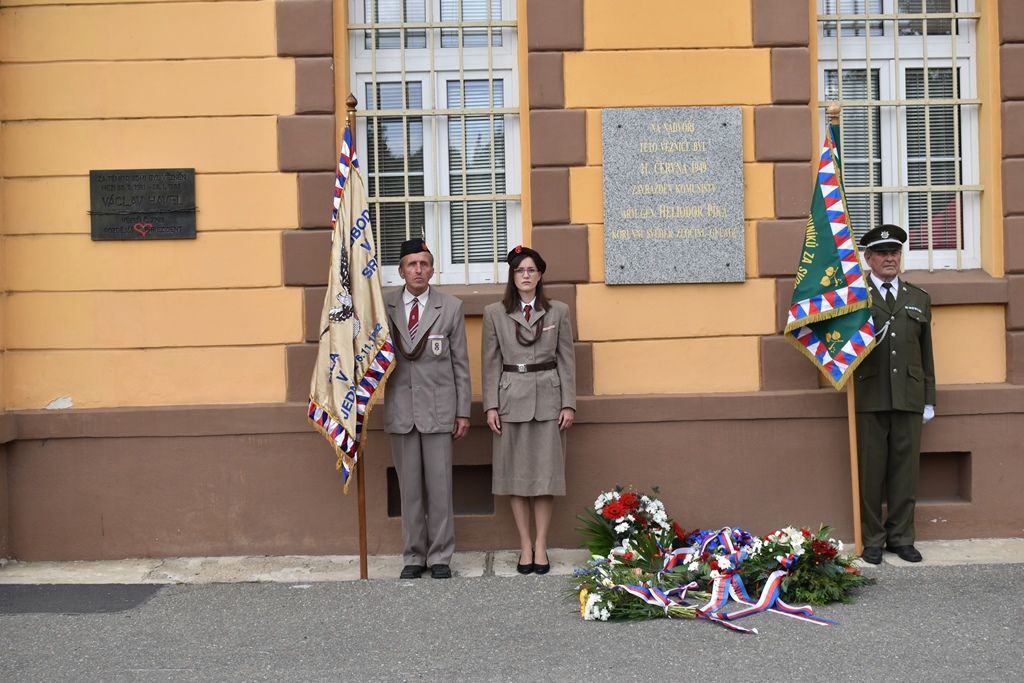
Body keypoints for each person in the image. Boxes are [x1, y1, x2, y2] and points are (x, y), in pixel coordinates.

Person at [482, 245, 576, 575]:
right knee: (516, 477)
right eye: (520, 270)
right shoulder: (495, 313)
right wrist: (491, 405)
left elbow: (566, 359)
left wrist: (568, 402)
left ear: (540, 275)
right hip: (511, 400)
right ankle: (525, 545)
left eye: (532, 270)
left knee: (546, 477)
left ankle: (542, 544)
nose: (526, 275)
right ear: (512, 275)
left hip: (549, 401)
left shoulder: (558, 311)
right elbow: (491, 361)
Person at [383, 239, 471, 579]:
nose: (418, 270)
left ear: (433, 269)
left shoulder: (449, 307)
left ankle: (440, 556)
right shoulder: (385, 307)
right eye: (411, 264)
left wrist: (463, 411)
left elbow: (460, 364)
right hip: (402, 411)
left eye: (424, 264)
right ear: (401, 270)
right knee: (410, 490)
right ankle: (413, 555)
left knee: (440, 487)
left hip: (439, 411)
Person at [854, 224, 936, 564]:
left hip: (909, 395)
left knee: (906, 472)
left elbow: (926, 352)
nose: (890, 258)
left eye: (895, 253)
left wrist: (929, 398)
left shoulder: (918, 298)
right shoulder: (855, 297)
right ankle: (872, 538)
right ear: (868, 258)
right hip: (869, 393)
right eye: (882, 253)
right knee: (871, 472)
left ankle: (901, 537)